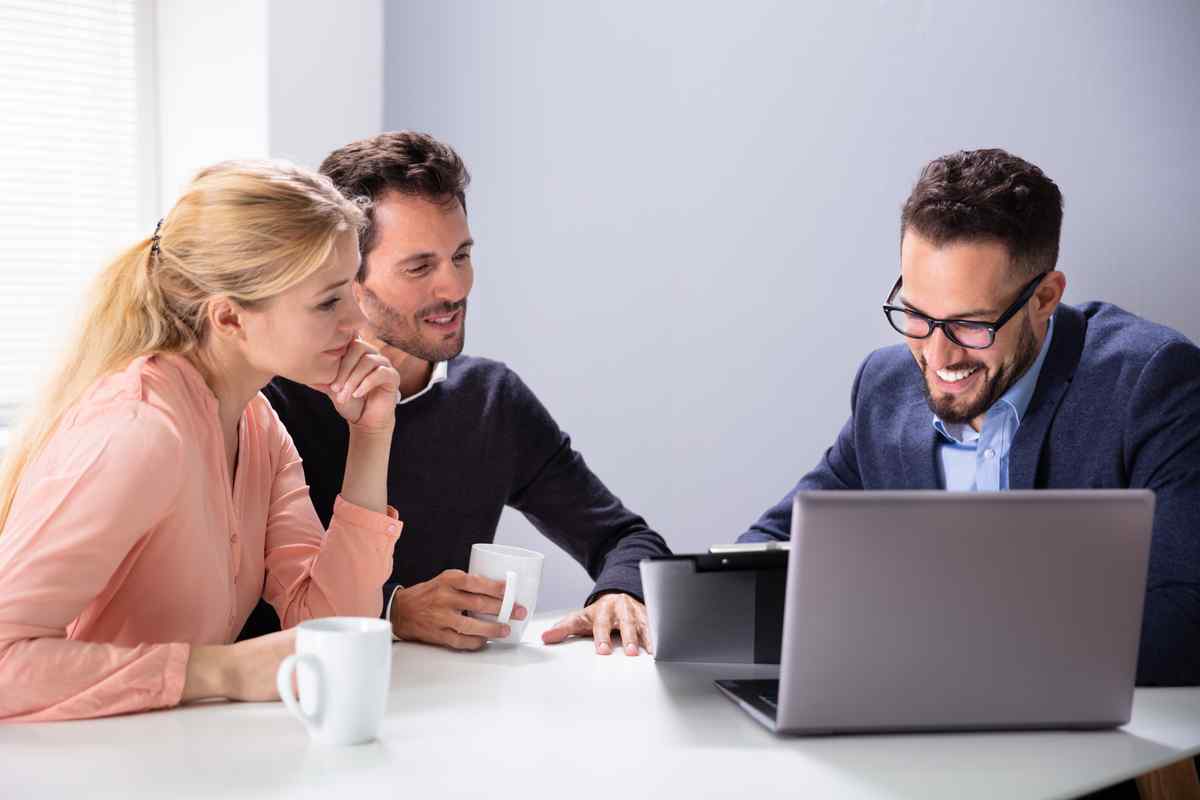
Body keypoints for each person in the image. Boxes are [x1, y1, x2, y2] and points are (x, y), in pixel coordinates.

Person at [738, 148, 1200, 686]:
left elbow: (1185, 617)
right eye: (915, 315)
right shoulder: (885, 389)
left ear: (1045, 297)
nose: (938, 356)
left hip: (1082, 746)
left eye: (971, 325)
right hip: (903, 738)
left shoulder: (1150, 382)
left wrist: (929, 649)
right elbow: (775, 547)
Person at [0, 160, 405, 721]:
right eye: (329, 301)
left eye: (352, 290)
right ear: (230, 319)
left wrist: (370, 435)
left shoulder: (257, 424)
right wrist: (223, 671)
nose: (358, 321)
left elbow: (325, 629)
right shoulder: (140, 432)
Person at [239, 131, 671, 656]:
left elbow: (626, 539)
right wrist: (393, 611)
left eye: (461, 256)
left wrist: (619, 592)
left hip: (454, 713)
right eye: (420, 267)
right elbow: (242, 614)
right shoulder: (269, 405)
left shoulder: (491, 400)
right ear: (348, 276)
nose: (454, 287)